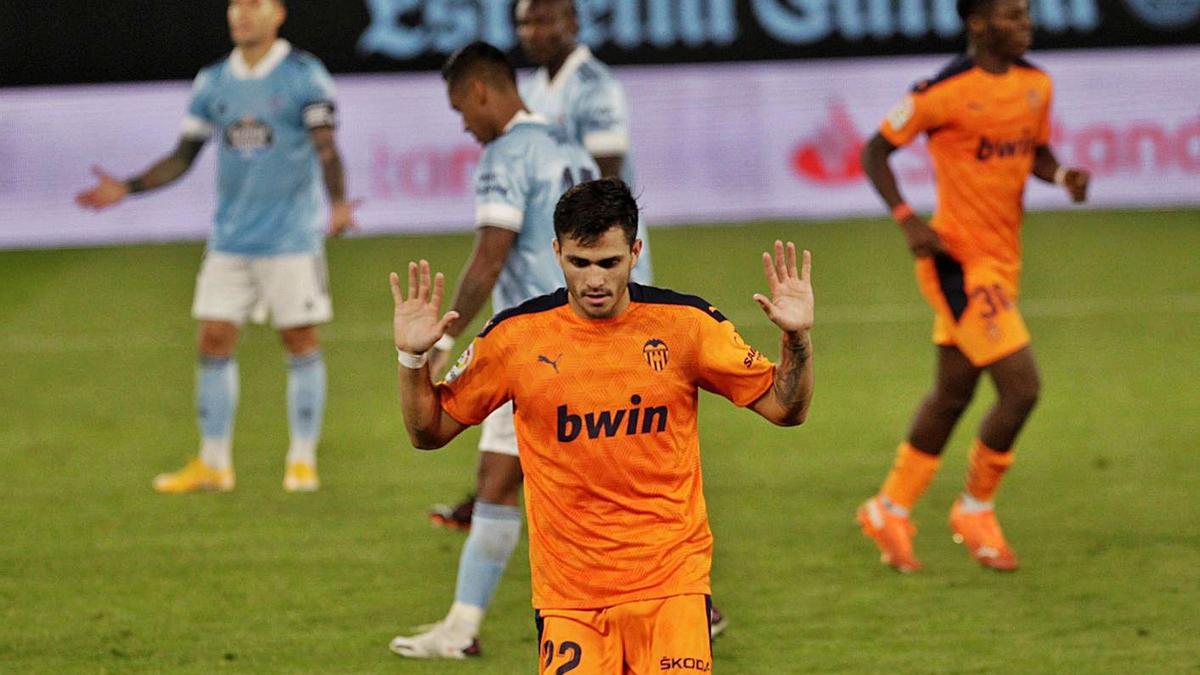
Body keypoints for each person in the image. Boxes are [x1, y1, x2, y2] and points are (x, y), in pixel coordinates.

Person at [388, 177, 814, 673]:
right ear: (557, 252)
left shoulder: (686, 325)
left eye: (610, 263)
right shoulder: (515, 338)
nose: (595, 280)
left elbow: (787, 408)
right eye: (579, 262)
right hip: (571, 599)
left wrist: (798, 343)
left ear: (635, 251)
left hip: (672, 584)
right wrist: (412, 359)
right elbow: (429, 430)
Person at [75, 0, 356, 493]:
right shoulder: (212, 81)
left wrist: (336, 204)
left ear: (278, 14)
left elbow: (326, 147)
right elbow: (184, 155)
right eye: (236, 4)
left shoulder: (304, 75)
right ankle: (214, 463)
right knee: (212, 341)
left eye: (254, 4)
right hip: (230, 240)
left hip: (290, 239)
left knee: (300, 342)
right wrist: (128, 187)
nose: (241, 13)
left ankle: (302, 459)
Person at [855, 0, 1090, 572]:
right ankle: (975, 507)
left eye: (1028, 14)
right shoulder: (941, 90)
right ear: (978, 23)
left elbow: (1032, 150)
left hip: (1004, 261)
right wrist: (908, 218)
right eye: (1012, 15)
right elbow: (875, 150)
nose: (1026, 25)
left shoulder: (1037, 83)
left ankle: (889, 508)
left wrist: (1060, 175)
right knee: (1021, 388)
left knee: (953, 394)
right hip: (958, 262)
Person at [387, 42, 603, 659]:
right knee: (501, 480)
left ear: (481, 91)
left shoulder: (506, 154)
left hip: (536, 344)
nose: (463, 124)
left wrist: (445, 337)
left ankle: (693, 602)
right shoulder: (572, 148)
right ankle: (460, 628)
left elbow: (490, 255)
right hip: (590, 340)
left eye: (461, 108)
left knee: (558, 487)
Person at [428, 0, 653, 531]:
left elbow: (607, 190)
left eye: (544, 19)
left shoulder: (593, 86)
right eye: (525, 21)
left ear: (572, 22)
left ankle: (692, 595)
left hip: (597, 284)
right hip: (557, 291)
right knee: (589, 445)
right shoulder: (539, 90)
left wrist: (596, 276)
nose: (533, 31)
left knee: (615, 459)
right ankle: (494, 498)